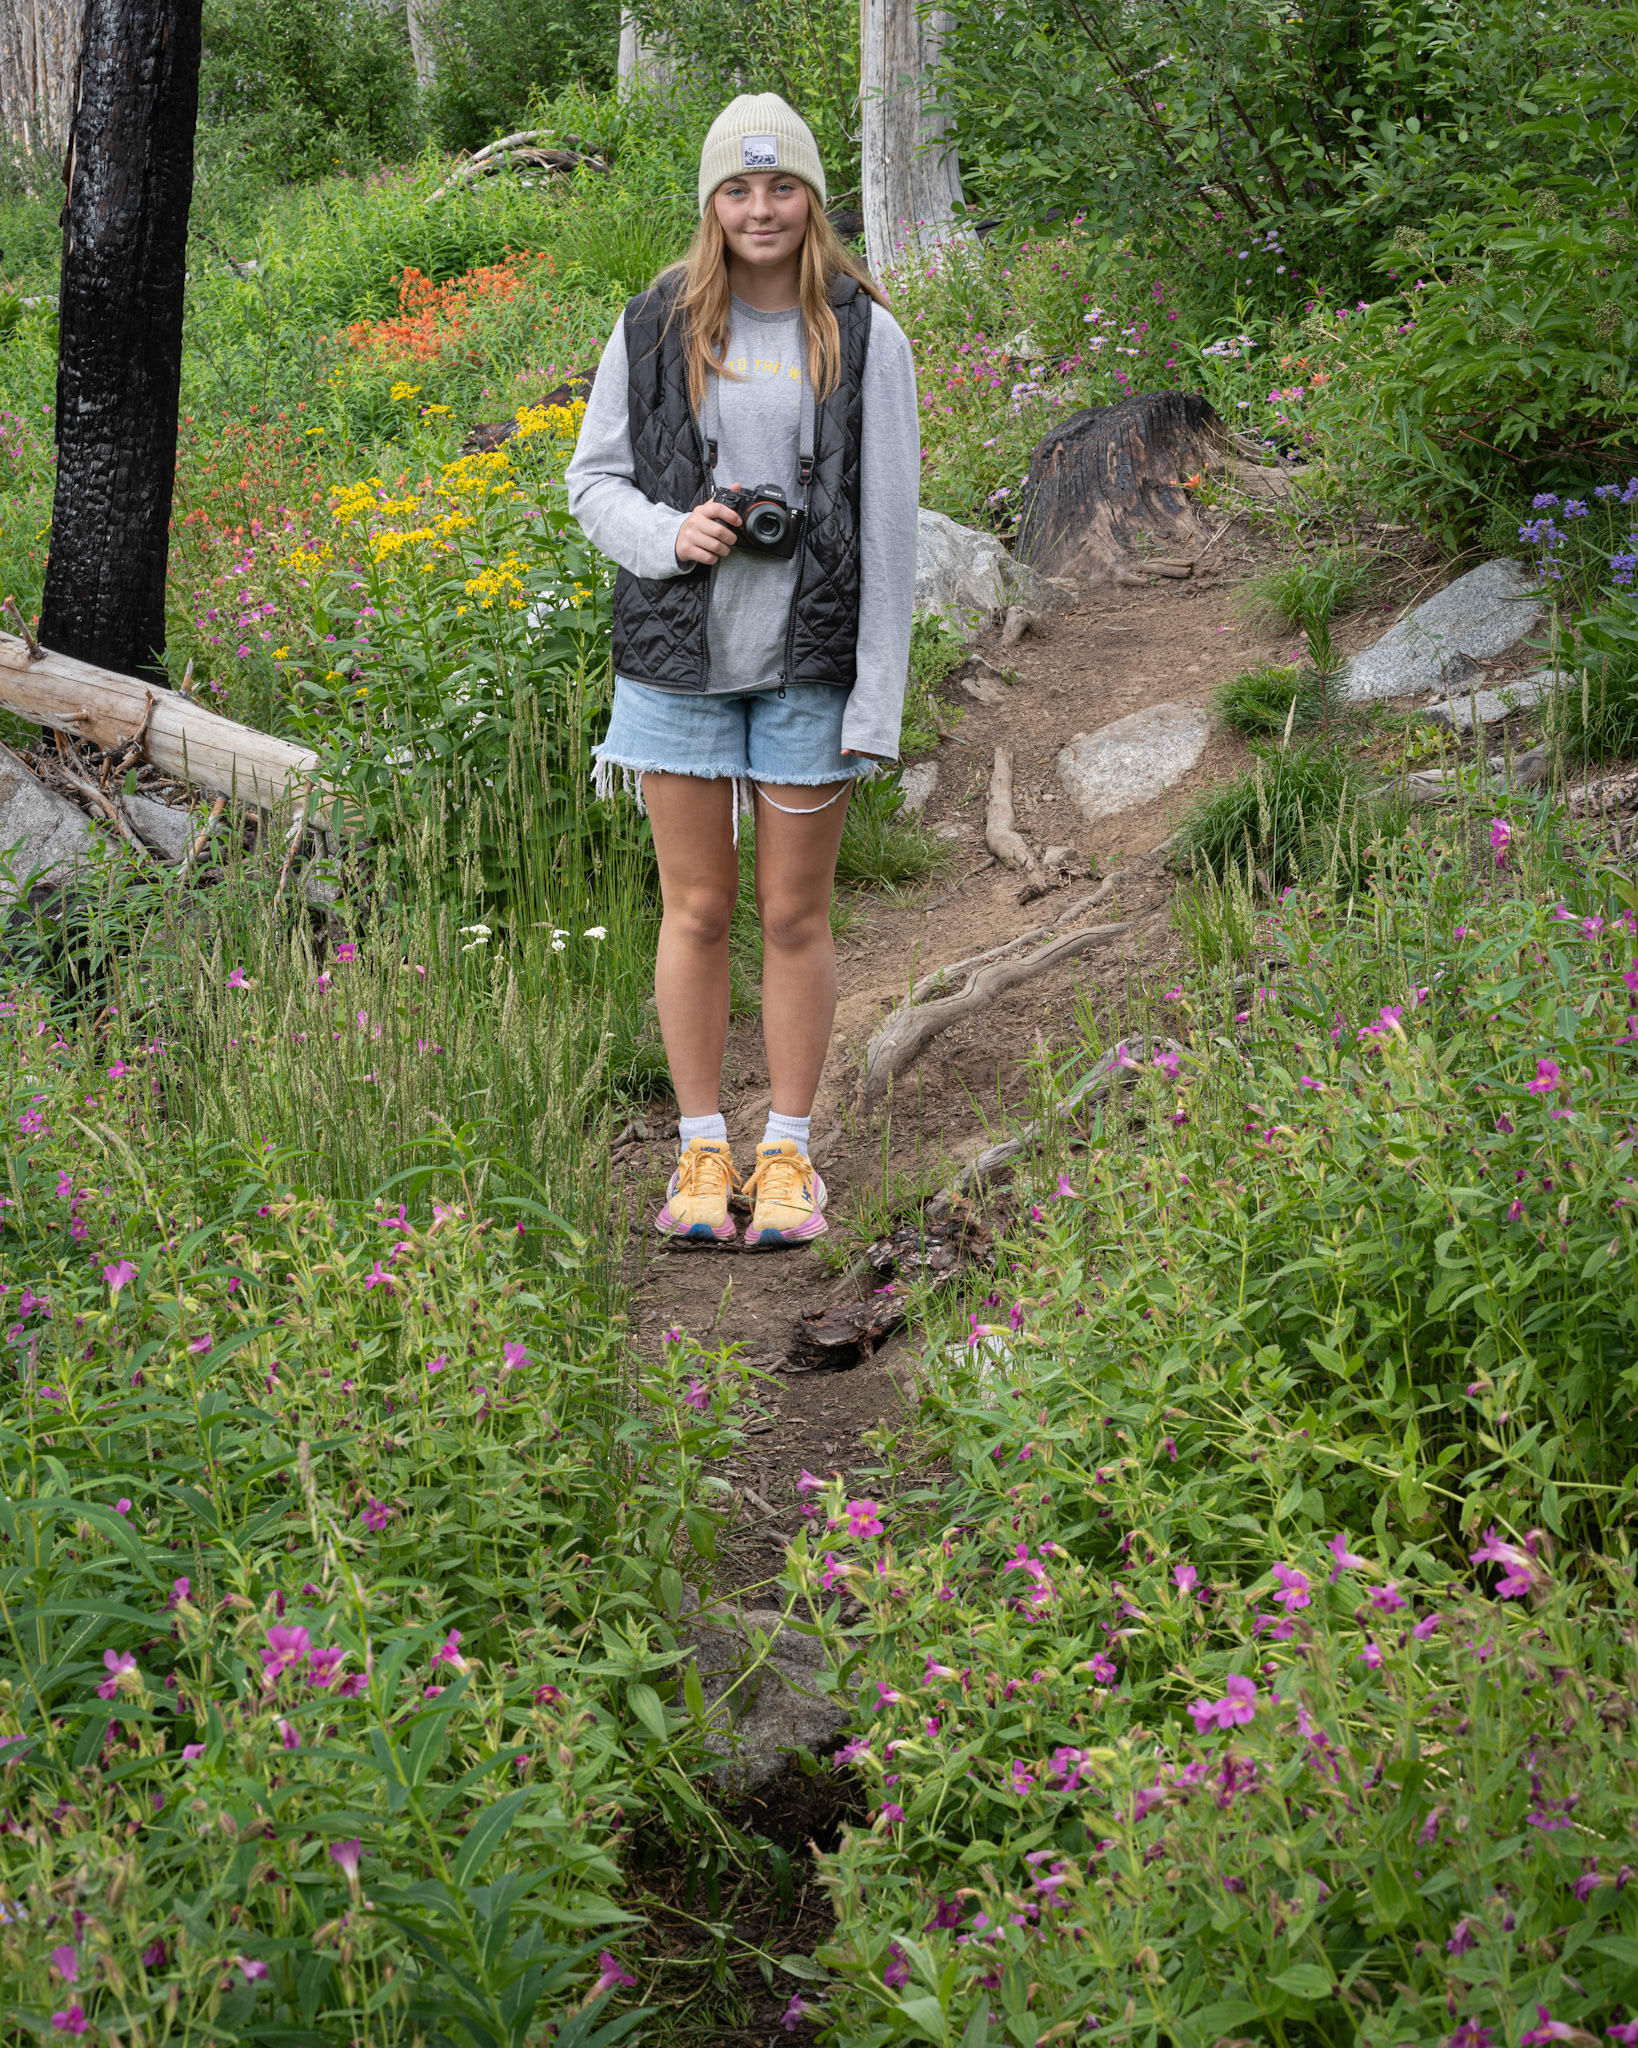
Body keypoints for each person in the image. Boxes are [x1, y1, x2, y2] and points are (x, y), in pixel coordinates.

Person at [567, 92, 919, 1248]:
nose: (759, 209)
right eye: (737, 188)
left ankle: (790, 1157)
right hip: (676, 664)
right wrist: (671, 535)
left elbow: (894, 532)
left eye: (780, 187)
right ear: (710, 203)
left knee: (793, 912)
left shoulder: (867, 333)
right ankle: (701, 1142)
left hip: (809, 664)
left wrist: (877, 699)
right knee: (698, 906)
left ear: (812, 199)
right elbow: (594, 483)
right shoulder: (655, 324)